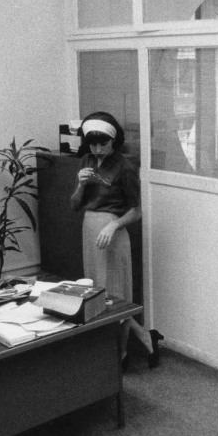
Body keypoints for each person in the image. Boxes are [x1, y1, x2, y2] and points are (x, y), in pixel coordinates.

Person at [71, 111, 163, 370]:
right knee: (97, 297)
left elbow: (136, 211)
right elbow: (75, 205)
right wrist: (80, 185)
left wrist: (114, 224)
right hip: (89, 232)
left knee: (116, 298)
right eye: (93, 144)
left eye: (104, 144)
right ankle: (146, 338)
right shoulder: (86, 162)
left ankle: (120, 355)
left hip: (112, 235)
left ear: (114, 142)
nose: (98, 150)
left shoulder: (125, 167)